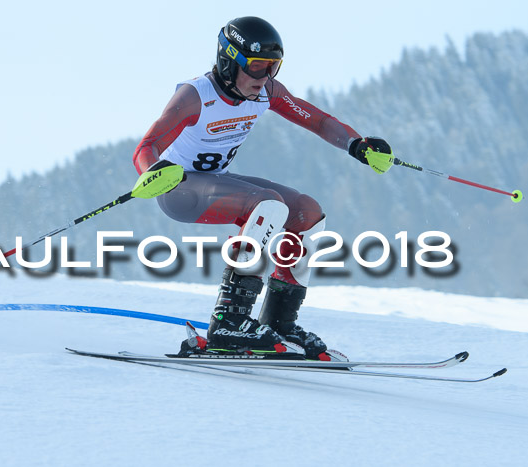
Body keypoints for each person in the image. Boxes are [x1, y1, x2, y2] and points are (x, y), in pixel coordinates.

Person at [132, 16, 393, 361]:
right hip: (178, 190)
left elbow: (317, 120)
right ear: (229, 62)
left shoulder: (265, 92)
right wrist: (151, 172)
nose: (266, 78)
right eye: (257, 67)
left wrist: (356, 144)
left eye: (274, 68)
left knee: (306, 212)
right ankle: (229, 322)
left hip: (217, 184)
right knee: (268, 205)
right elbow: (145, 147)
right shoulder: (196, 96)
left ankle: (280, 323)